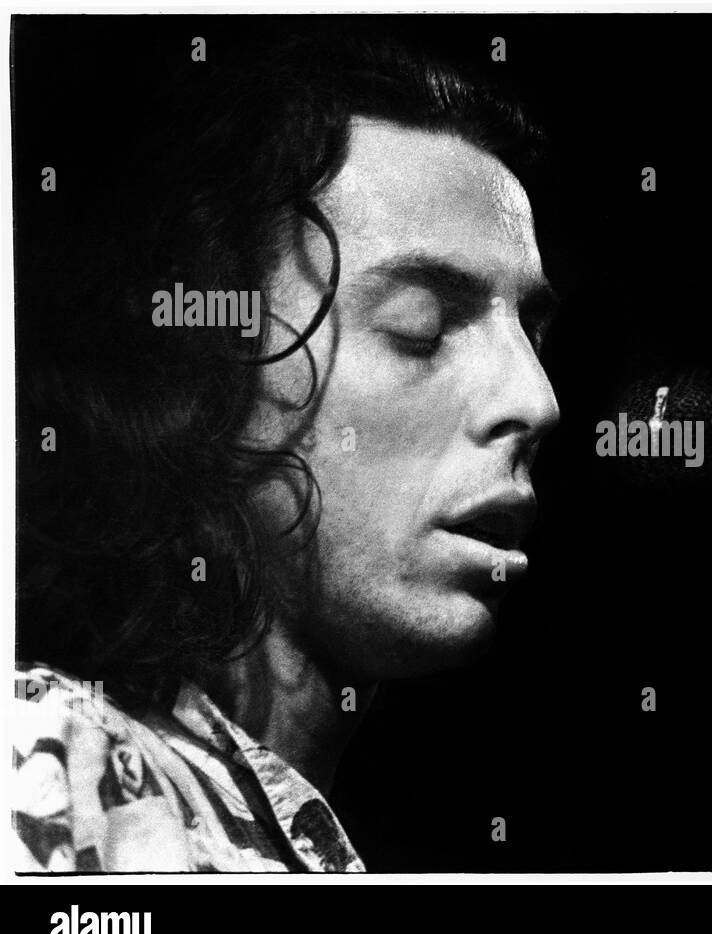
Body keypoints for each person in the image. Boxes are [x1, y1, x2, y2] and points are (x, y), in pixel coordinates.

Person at [13, 28, 560, 872]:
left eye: (533, 331)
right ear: (206, 375)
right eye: (423, 327)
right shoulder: (52, 764)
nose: (537, 399)